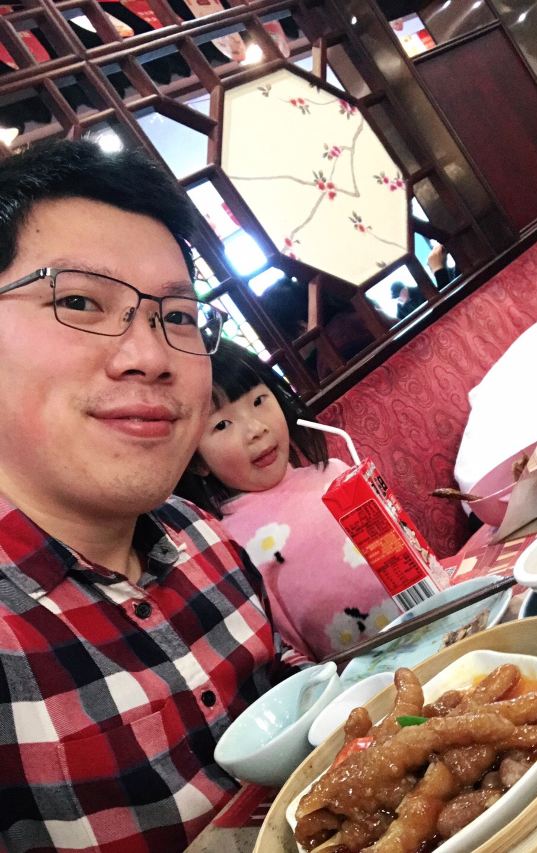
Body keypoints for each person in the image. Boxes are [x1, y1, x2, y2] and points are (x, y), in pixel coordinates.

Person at [0, 139, 307, 852]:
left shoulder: (199, 534)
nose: (151, 356)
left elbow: (282, 694)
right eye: (80, 301)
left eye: (177, 317)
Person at [176, 339, 400, 660]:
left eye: (259, 401)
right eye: (222, 424)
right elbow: (281, 649)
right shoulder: (229, 543)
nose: (256, 429)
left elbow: (408, 552)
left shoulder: (336, 473)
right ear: (196, 461)